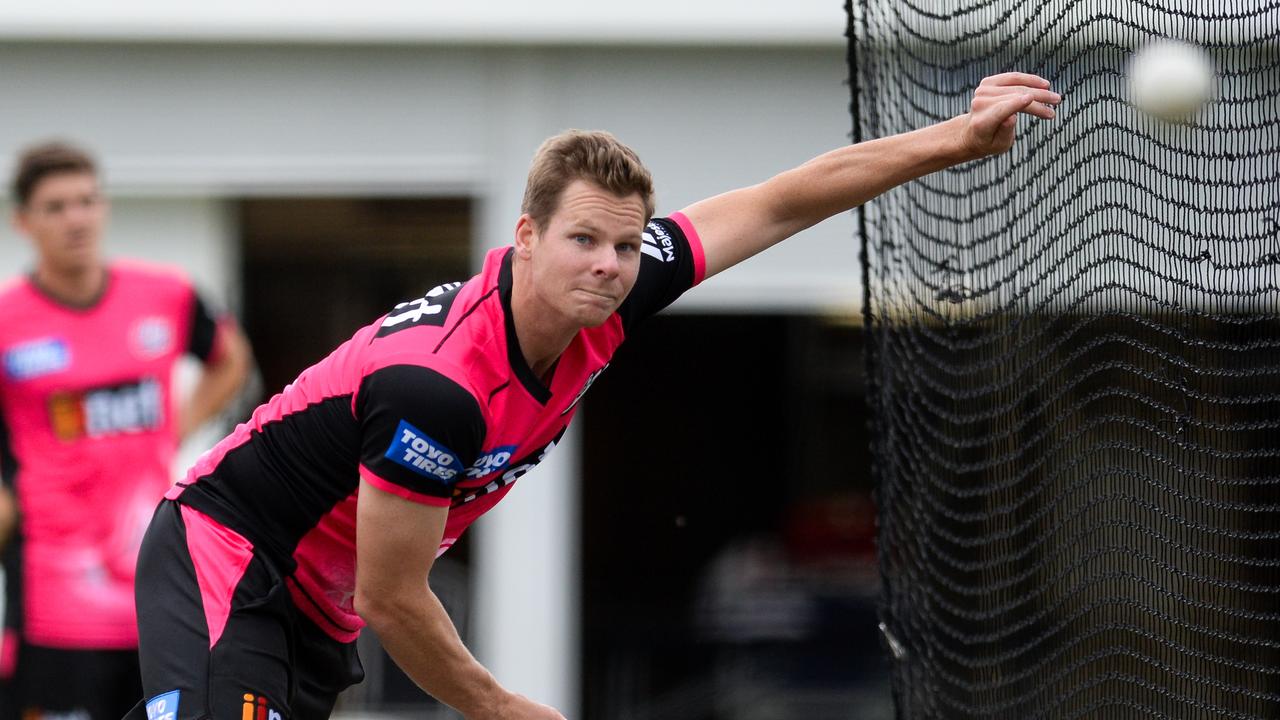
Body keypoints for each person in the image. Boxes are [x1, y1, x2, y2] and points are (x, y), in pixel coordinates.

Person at [129, 73, 1060, 719]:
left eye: (625, 245)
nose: (610, 266)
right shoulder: (439, 388)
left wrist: (956, 140)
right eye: (584, 241)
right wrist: (498, 706)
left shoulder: (622, 285)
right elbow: (392, 595)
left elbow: (784, 200)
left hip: (315, 600)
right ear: (526, 235)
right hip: (232, 560)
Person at [0, 141, 254, 720]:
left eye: (87, 201)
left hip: (154, 591)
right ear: (23, 222)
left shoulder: (164, 295)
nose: (76, 218)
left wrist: (175, 430)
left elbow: (229, 356)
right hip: (53, 600)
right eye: (56, 206)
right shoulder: (7, 322)